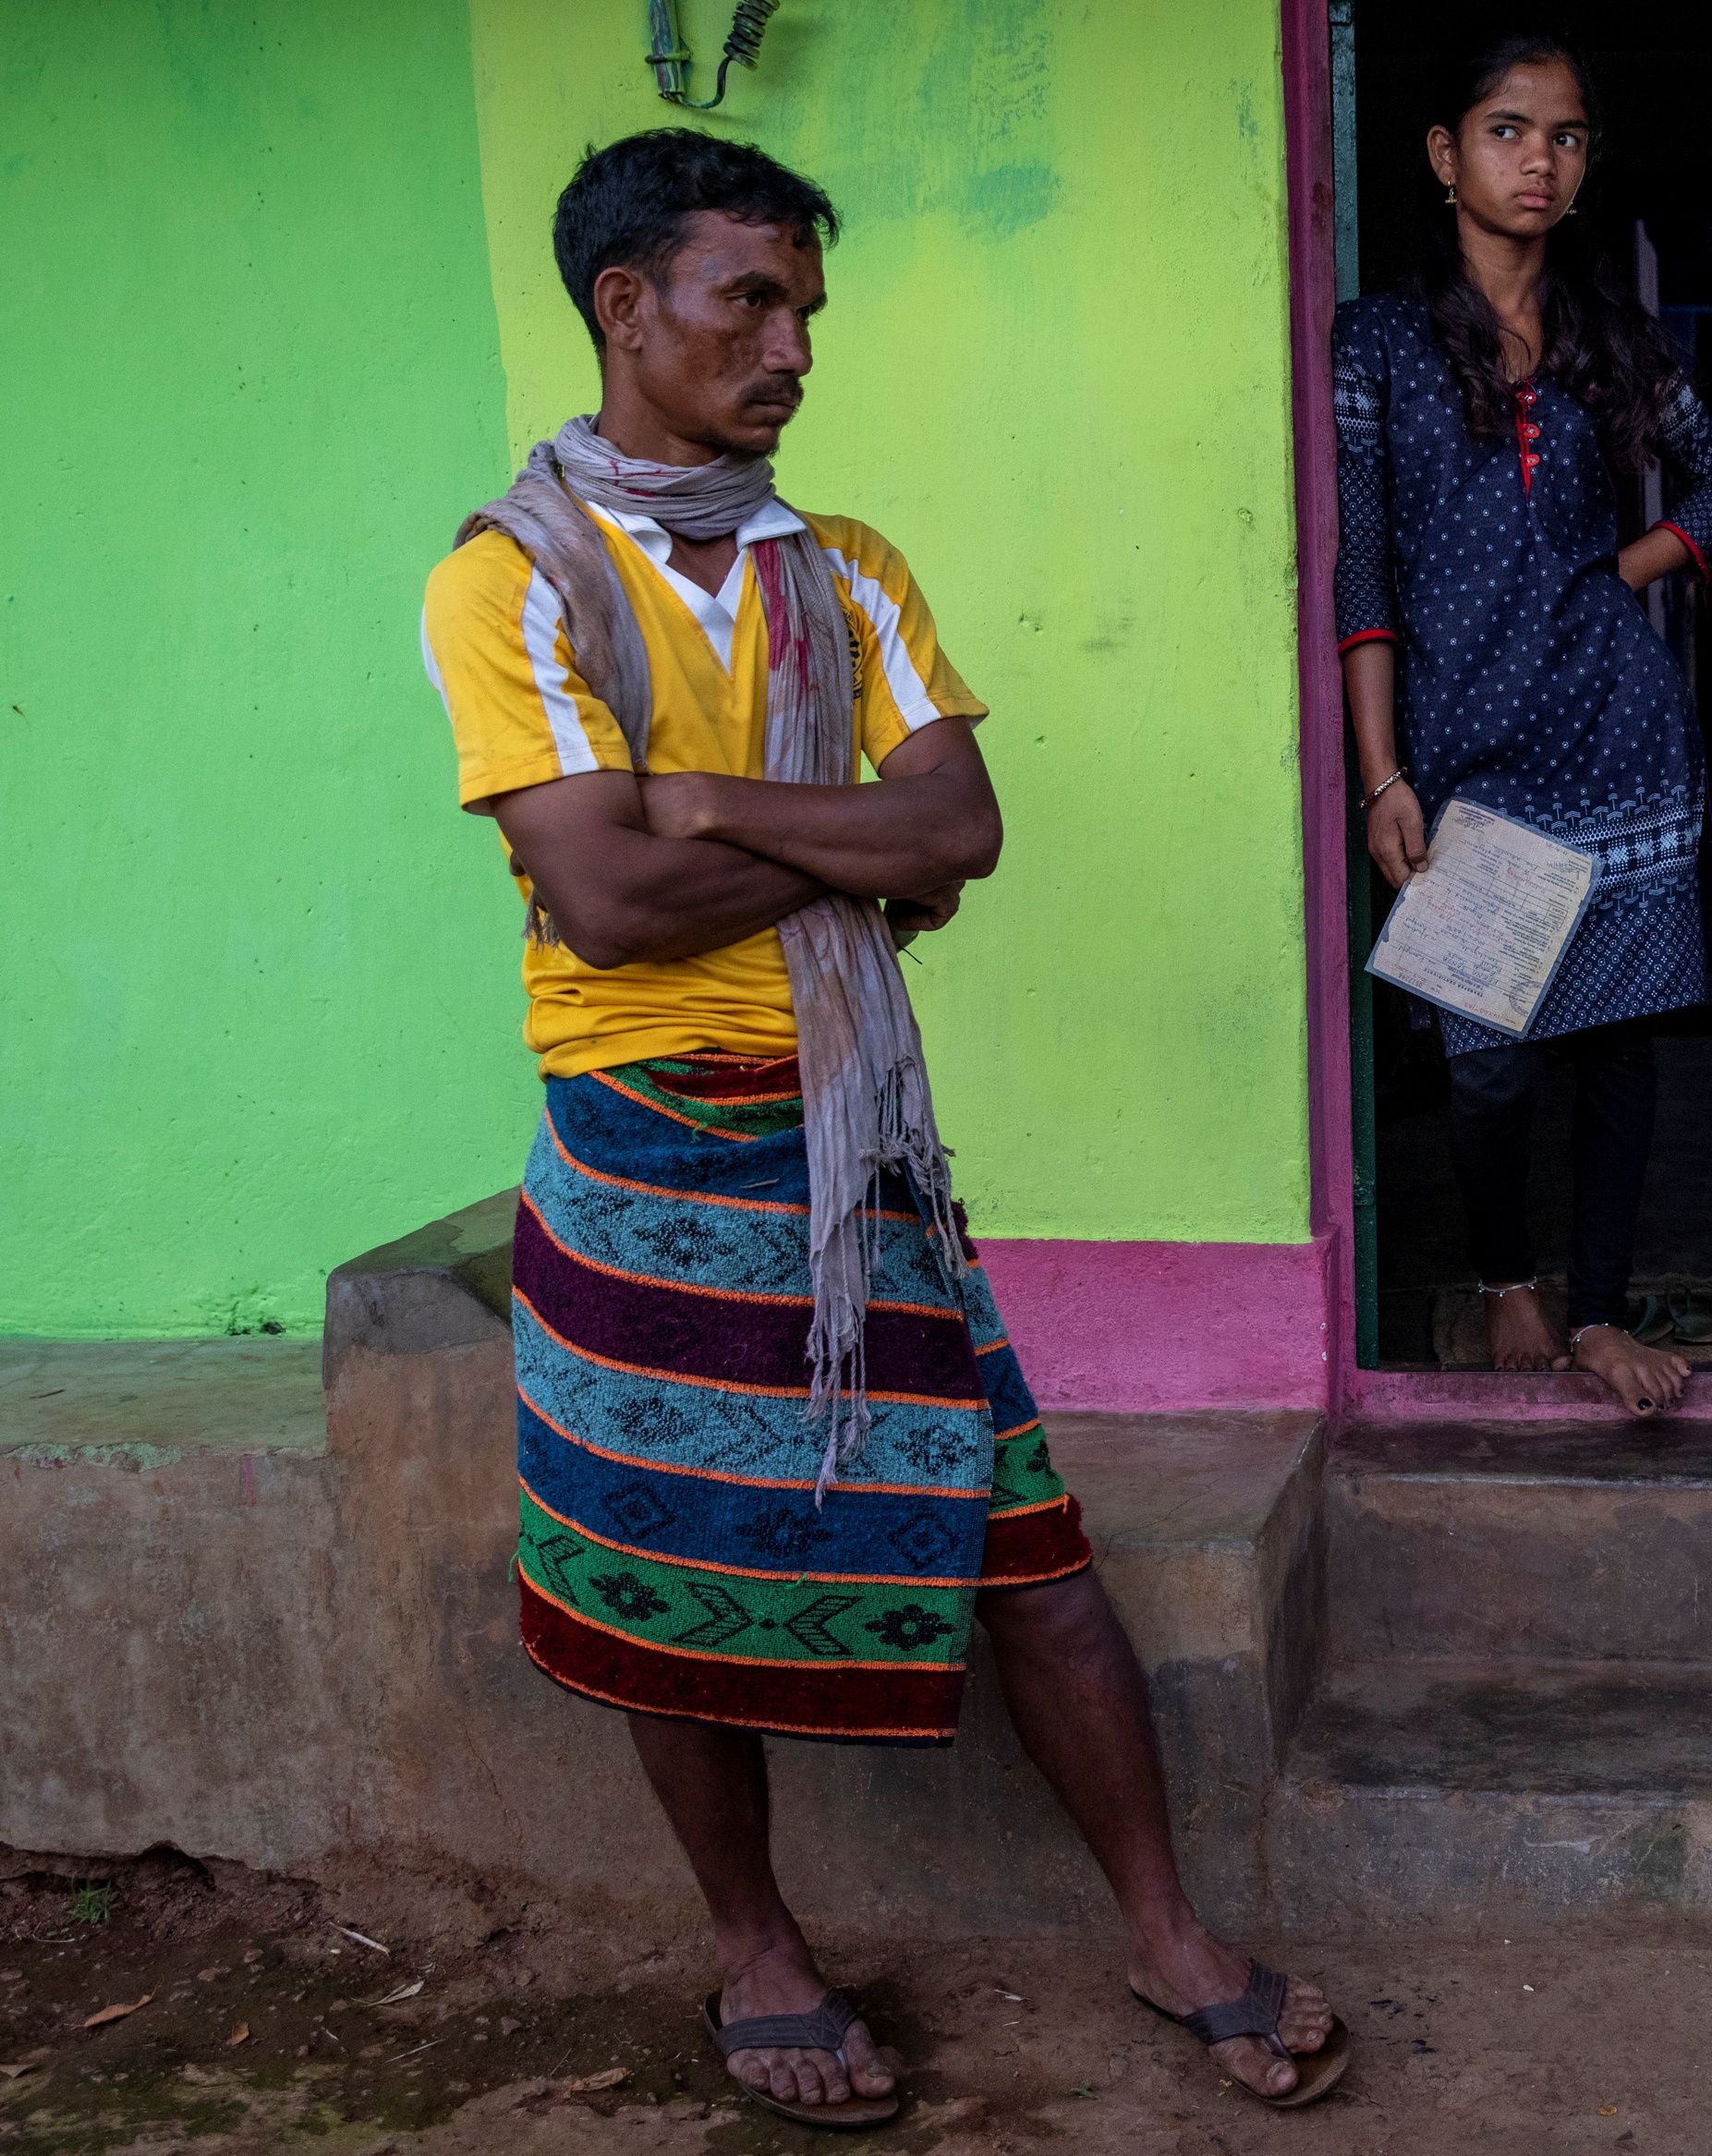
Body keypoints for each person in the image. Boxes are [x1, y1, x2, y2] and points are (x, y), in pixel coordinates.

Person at [419, 130, 1345, 2126]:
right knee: (660, 1582)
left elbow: (964, 831)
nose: (789, 348)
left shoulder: (847, 571)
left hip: (861, 1144)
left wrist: (706, 797)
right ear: (623, 306)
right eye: (747, 300)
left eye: (805, 312)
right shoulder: (505, 585)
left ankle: (1166, 1930)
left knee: (1033, 1555)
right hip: (644, 1143)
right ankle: (755, 1950)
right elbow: (608, 905)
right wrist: (836, 852)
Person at [1336, 34, 1712, 1415]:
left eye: (1567, 136)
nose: (1540, 159)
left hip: (1616, 730)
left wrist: (1619, 572)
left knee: (1620, 1047)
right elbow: (1364, 569)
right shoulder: (1381, 341)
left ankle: (1596, 1312)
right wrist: (1380, 771)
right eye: (1509, 130)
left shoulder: (1608, 336)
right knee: (1489, 1062)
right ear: (1446, 155)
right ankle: (1506, 1274)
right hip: (1462, 751)